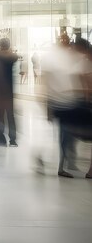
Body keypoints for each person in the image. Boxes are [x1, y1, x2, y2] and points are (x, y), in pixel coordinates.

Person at [43, 35, 91, 178]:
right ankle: (64, 165)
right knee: (66, 135)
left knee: (66, 135)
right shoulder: (77, 60)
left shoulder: (73, 59)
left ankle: (66, 164)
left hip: (68, 103)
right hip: (67, 103)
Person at [0, 38, 19, 147]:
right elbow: (15, 56)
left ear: (0, 45)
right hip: (9, 90)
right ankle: (13, 140)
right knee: (11, 116)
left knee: (0, 116)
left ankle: (1, 139)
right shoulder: (12, 57)